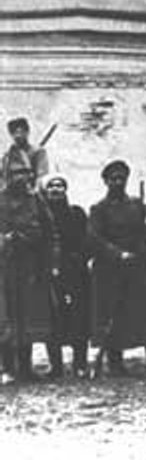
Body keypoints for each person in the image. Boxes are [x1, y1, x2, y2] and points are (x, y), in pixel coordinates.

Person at [89, 160, 146, 377]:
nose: (118, 183)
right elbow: (94, 238)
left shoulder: (136, 204)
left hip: (136, 265)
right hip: (110, 269)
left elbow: (144, 232)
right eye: (113, 179)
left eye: (121, 178)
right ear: (105, 181)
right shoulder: (99, 208)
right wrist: (118, 254)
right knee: (114, 313)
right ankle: (115, 362)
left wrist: (141, 250)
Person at [0, 160, 57, 383]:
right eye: (16, 174)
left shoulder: (36, 201)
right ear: (7, 176)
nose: (21, 178)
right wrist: (4, 240)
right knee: (5, 317)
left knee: (28, 318)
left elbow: (50, 233)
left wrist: (51, 263)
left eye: (25, 173)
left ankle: (25, 367)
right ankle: (7, 367)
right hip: (4, 267)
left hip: (30, 267)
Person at [42, 175, 89, 378]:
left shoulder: (76, 213)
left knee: (79, 316)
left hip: (75, 272)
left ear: (66, 189)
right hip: (49, 272)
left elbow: (88, 239)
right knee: (52, 318)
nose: (56, 189)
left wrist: (79, 259)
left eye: (60, 185)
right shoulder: (41, 215)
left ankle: (80, 364)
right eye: (51, 186)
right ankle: (56, 366)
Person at [1, 117, 49, 185]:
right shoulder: (7, 156)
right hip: (10, 191)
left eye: (21, 132)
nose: (18, 135)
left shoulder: (37, 152)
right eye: (14, 132)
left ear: (27, 132)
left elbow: (41, 175)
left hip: (30, 191)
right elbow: (3, 177)